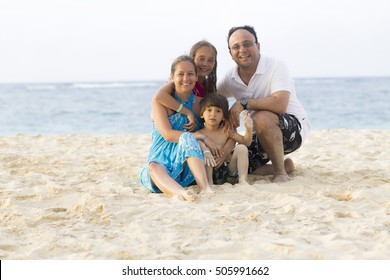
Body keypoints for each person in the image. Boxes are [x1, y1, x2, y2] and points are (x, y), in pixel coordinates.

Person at [217, 25, 310, 183]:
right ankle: (284, 166)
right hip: (258, 134)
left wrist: (243, 103)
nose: (242, 50)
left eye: (247, 44)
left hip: (292, 129)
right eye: (236, 47)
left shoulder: (276, 66)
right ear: (231, 53)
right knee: (229, 167)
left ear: (257, 46)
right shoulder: (230, 77)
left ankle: (280, 173)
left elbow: (280, 103)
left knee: (262, 117)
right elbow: (211, 98)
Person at [140, 55, 212, 201]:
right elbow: (167, 134)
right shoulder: (160, 102)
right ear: (172, 77)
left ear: (197, 76)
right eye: (180, 74)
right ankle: (181, 193)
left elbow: (213, 126)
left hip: (187, 163)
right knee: (153, 167)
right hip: (161, 160)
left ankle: (205, 188)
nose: (186, 78)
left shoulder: (200, 104)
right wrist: (195, 135)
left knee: (187, 138)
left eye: (190, 74)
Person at [153, 40, 235, 165]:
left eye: (210, 60)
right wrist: (187, 112)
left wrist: (223, 152)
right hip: (181, 141)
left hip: (202, 140)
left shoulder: (209, 88)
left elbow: (226, 128)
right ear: (192, 59)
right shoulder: (181, 82)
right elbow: (159, 97)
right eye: (201, 59)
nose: (205, 64)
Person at [197, 93, 253, 185]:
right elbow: (189, 137)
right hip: (210, 173)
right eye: (209, 110)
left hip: (229, 172)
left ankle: (243, 180)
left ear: (223, 117)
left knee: (242, 148)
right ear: (202, 114)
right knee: (206, 153)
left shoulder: (226, 130)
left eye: (218, 111)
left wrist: (248, 129)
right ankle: (209, 184)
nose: (213, 114)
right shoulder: (200, 133)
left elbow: (246, 142)